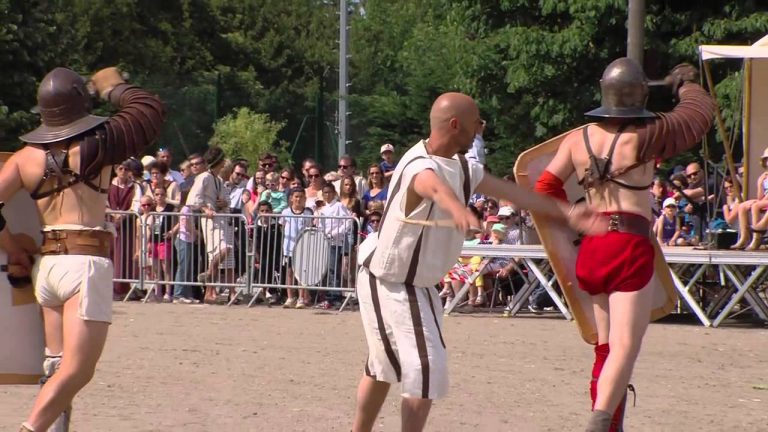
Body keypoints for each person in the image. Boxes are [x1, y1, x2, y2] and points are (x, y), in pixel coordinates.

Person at [351, 92, 606, 432]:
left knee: (385, 365)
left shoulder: (463, 168)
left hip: (416, 283)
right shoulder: (417, 164)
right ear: (456, 124)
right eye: (477, 122)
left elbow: (518, 194)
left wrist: (570, 212)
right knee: (426, 369)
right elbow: (432, 187)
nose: (481, 128)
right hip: (389, 280)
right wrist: (459, 210)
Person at [535, 59, 714, 431]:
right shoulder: (645, 135)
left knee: (605, 348)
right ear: (640, 95)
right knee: (624, 348)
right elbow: (697, 116)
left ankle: (610, 423)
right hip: (628, 247)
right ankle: (600, 423)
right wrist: (686, 85)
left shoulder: (577, 139)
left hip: (593, 248)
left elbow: (544, 187)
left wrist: (573, 216)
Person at [0, 66, 164, 432]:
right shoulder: (97, 142)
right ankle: (30, 430)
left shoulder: (25, 158)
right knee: (78, 369)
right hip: (83, 263)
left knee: (57, 367)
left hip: (48, 267)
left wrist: (12, 248)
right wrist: (114, 87)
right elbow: (149, 110)